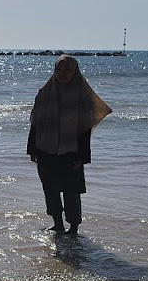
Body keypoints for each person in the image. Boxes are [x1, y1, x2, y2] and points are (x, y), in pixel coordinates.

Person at [27, 55, 111, 235]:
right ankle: (57, 224)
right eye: (59, 70)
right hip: (45, 149)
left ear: (75, 72)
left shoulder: (82, 97)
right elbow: (35, 123)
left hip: (72, 152)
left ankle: (73, 228)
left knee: (71, 191)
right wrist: (32, 150)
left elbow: (85, 129)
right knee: (50, 189)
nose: (62, 74)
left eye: (67, 70)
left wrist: (82, 157)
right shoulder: (44, 93)